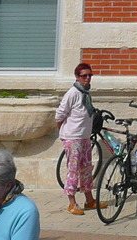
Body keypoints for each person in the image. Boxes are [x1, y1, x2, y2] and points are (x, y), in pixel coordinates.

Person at [55, 62, 100, 215]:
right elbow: (60, 114)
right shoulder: (72, 93)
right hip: (73, 137)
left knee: (86, 168)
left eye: (89, 75)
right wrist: (63, 129)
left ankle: (89, 199)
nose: (87, 78)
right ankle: (72, 202)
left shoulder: (86, 93)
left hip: (85, 137)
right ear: (77, 77)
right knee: (73, 170)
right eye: (84, 76)